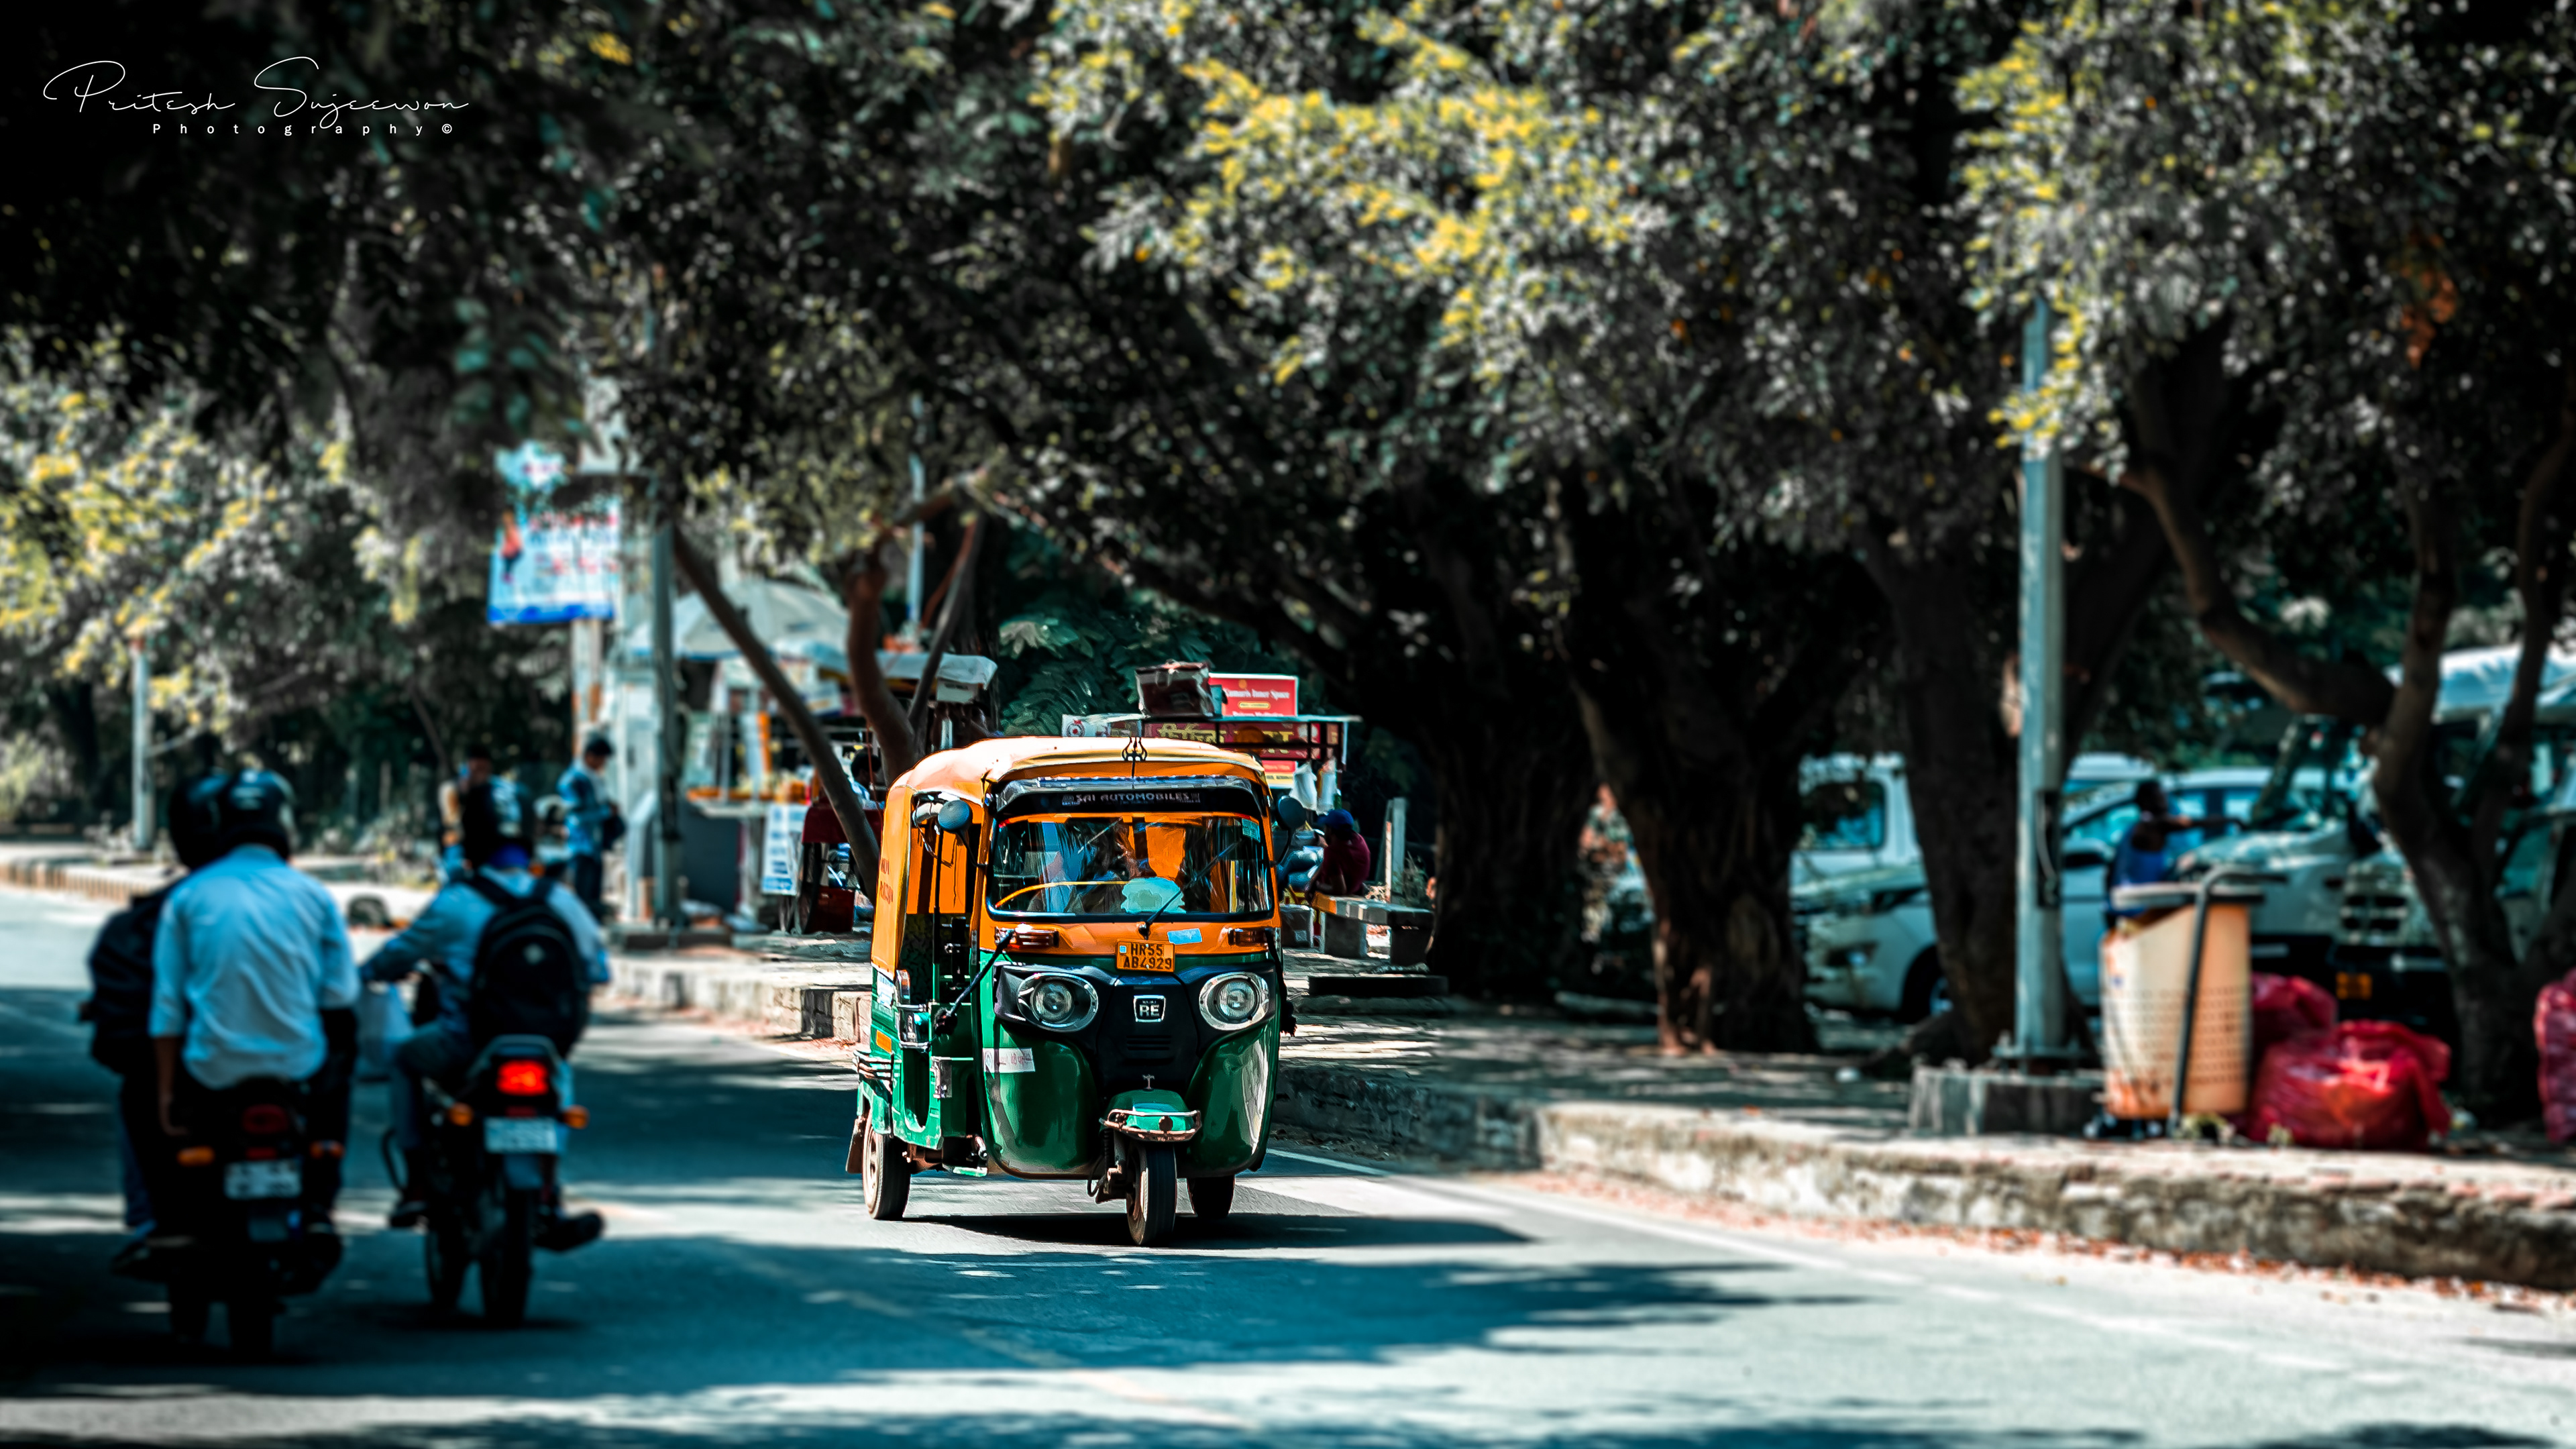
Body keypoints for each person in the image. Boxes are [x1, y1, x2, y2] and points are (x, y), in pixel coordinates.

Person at [364, 777, 606, 1248]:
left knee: (403, 1059)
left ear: (470, 838)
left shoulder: (455, 902)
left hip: (467, 1045)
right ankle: (549, 1196)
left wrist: (370, 972)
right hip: (546, 1046)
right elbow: (597, 970)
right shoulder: (560, 900)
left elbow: (395, 958)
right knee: (558, 1086)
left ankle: (415, 1181)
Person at [147, 771, 360, 1238]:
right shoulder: (314, 896)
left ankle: (175, 1222)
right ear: (285, 823)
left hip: (213, 1070)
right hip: (299, 1066)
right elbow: (341, 994)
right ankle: (322, 1190)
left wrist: (166, 1095)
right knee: (344, 1049)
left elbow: (167, 1009)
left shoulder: (189, 897)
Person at [85, 784, 224, 1269]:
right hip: (280, 1060)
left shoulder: (161, 911)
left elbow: (147, 1010)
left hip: (189, 1061)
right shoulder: (296, 899)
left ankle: (149, 1216)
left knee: (138, 1097)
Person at [2106, 781, 2207, 918]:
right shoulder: (2150, 826)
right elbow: (2187, 823)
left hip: (2127, 906)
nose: (2165, 802)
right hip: (2136, 910)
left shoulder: (2134, 829)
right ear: (2147, 801)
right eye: (2160, 797)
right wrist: (2232, 820)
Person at [556, 735, 619, 920]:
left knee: (594, 897)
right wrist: (606, 812)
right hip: (581, 845)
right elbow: (577, 816)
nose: (603, 764)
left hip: (595, 846)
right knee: (582, 898)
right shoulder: (572, 780)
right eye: (601, 760)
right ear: (590, 756)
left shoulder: (594, 778)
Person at [437, 744, 496, 883]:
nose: (481, 774)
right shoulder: (451, 789)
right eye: (476, 769)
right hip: (458, 846)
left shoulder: (494, 790)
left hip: (488, 847)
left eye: (484, 770)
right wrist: (466, 796)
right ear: (467, 767)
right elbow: (452, 823)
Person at [1308, 808, 1373, 898]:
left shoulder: (1332, 852)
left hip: (1338, 896)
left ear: (1331, 830)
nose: (1324, 830)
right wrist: (1313, 881)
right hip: (1356, 887)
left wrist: (1317, 886)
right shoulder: (1359, 841)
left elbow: (1340, 890)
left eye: (1326, 827)